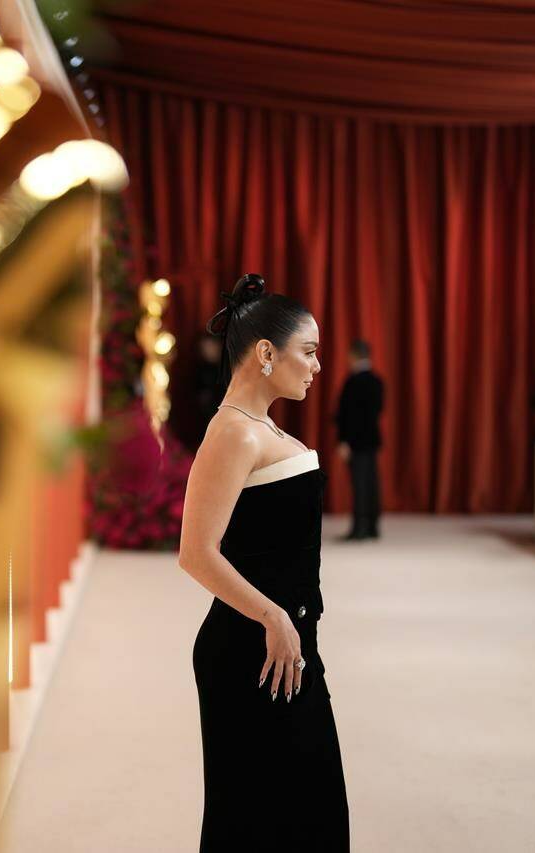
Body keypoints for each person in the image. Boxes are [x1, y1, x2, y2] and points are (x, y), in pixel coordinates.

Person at [179, 273, 349, 851]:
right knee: (262, 820)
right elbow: (195, 553)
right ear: (267, 353)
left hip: (286, 645)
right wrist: (275, 617)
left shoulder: (262, 427)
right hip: (252, 649)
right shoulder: (234, 433)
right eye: (309, 352)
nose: (317, 367)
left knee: (307, 813)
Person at [334, 340, 384, 541]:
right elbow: (376, 412)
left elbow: (348, 415)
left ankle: (359, 528)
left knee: (360, 485)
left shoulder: (353, 381)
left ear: (354, 355)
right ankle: (372, 525)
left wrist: (344, 440)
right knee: (371, 483)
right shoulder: (377, 380)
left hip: (355, 441)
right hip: (371, 439)